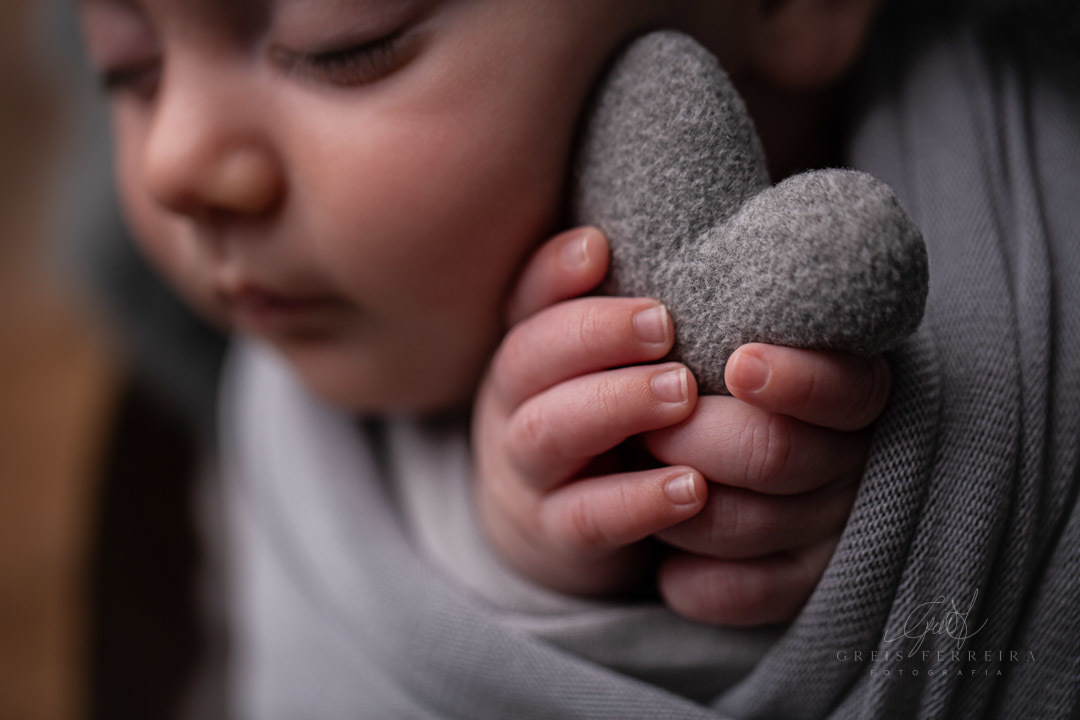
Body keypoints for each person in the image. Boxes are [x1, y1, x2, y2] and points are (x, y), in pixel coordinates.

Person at [74, 0, 1080, 717]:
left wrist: (878, 526)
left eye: (345, 44)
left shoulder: (1038, 281)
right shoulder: (257, 421)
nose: (175, 161)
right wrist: (513, 554)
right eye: (127, 67)